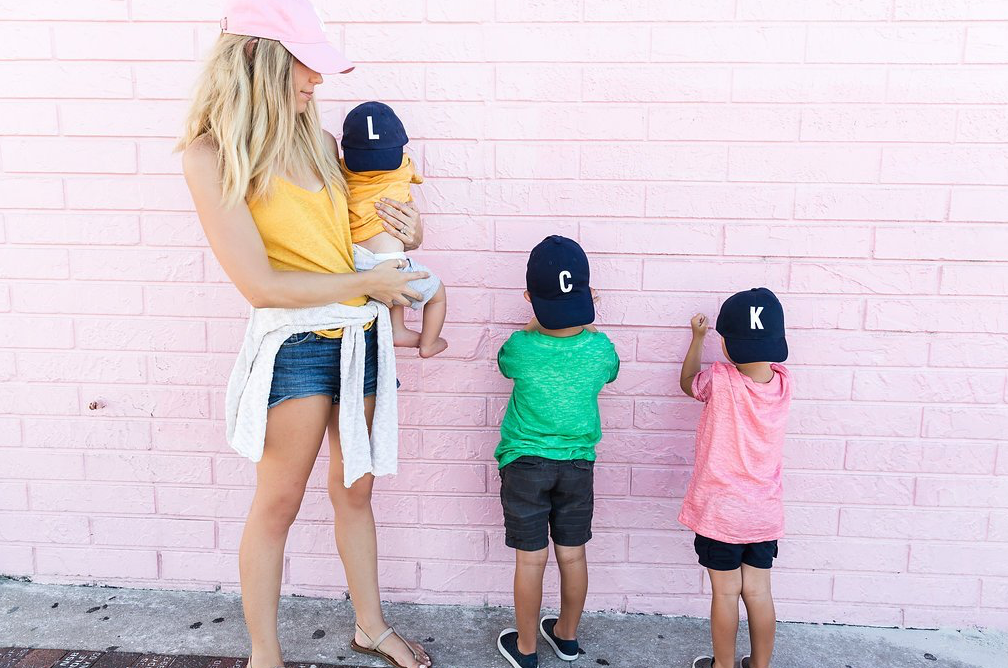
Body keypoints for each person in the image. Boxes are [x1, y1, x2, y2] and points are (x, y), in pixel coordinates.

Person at [177, 1, 432, 667]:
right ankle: (264, 655)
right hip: (296, 347)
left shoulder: (318, 141)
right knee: (278, 504)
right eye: (305, 65)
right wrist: (368, 284)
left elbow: (351, 241)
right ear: (258, 60)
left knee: (356, 492)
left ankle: (370, 626)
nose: (317, 80)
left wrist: (409, 235)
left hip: (360, 339)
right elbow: (261, 285)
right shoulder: (210, 156)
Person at [494, 236, 620, 668]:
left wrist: (535, 321)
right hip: (577, 466)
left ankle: (527, 648)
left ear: (530, 297)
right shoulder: (600, 349)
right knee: (573, 554)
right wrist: (587, 323)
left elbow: (504, 363)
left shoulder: (520, 346)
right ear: (587, 294)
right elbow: (610, 370)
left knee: (531, 561)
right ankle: (566, 637)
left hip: (525, 464)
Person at [678, 288, 793, 668]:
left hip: (721, 513)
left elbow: (688, 382)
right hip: (763, 513)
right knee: (759, 592)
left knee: (726, 593)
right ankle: (759, 665)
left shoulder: (719, 379)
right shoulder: (783, 383)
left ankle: (722, 665)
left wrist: (697, 339)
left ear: (727, 345)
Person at [341, 101, 448, 358]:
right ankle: (428, 343)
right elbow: (417, 179)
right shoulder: (404, 166)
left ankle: (396, 329)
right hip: (390, 259)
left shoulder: (342, 170)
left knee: (394, 275)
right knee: (438, 294)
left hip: (353, 261)